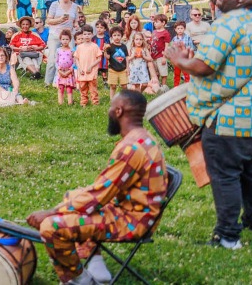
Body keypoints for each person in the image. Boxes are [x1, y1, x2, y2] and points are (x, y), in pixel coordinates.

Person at [166, 0, 252, 249]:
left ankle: (227, 236)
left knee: (225, 174)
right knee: (250, 168)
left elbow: (205, 66)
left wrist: (180, 61)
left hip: (231, 117)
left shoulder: (231, 23)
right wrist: (193, 61)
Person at [27, 91, 167, 285]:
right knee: (75, 196)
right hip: (134, 211)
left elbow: (98, 196)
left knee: (52, 227)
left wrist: (51, 213)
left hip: (134, 222)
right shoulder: (143, 138)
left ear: (118, 111)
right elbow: (101, 192)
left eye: (110, 107)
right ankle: (96, 264)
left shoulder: (132, 148)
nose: (108, 111)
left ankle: (80, 281)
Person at [44, 0, 80, 87]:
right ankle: (48, 82)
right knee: (52, 59)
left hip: (69, 35)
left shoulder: (74, 6)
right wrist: (60, 19)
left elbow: (76, 20)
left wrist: (76, 25)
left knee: (72, 58)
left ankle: (70, 80)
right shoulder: (55, 4)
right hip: (55, 34)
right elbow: (48, 20)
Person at [74, 25, 102, 106]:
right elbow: (76, 59)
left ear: (92, 35)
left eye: (89, 34)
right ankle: (83, 102)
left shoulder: (95, 46)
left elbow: (99, 59)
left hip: (92, 72)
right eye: (85, 34)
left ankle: (95, 102)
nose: (87, 36)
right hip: (82, 72)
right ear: (82, 35)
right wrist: (79, 68)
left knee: (93, 88)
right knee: (83, 88)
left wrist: (91, 66)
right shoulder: (79, 47)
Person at [104, 27, 128, 99]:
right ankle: (112, 99)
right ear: (111, 37)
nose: (117, 37)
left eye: (118, 35)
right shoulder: (110, 46)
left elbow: (126, 57)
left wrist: (128, 68)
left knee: (124, 85)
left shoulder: (124, 46)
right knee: (113, 86)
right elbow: (107, 57)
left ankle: (125, 98)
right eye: (114, 35)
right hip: (112, 69)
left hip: (123, 69)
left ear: (121, 36)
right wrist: (105, 50)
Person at [53, 30, 75, 105]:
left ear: (70, 40)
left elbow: (74, 62)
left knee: (69, 88)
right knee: (61, 87)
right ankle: (60, 103)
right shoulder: (58, 50)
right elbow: (56, 61)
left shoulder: (72, 50)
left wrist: (70, 70)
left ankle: (70, 102)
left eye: (67, 39)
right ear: (60, 40)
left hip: (69, 72)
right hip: (60, 72)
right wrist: (59, 70)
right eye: (63, 39)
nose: (65, 41)